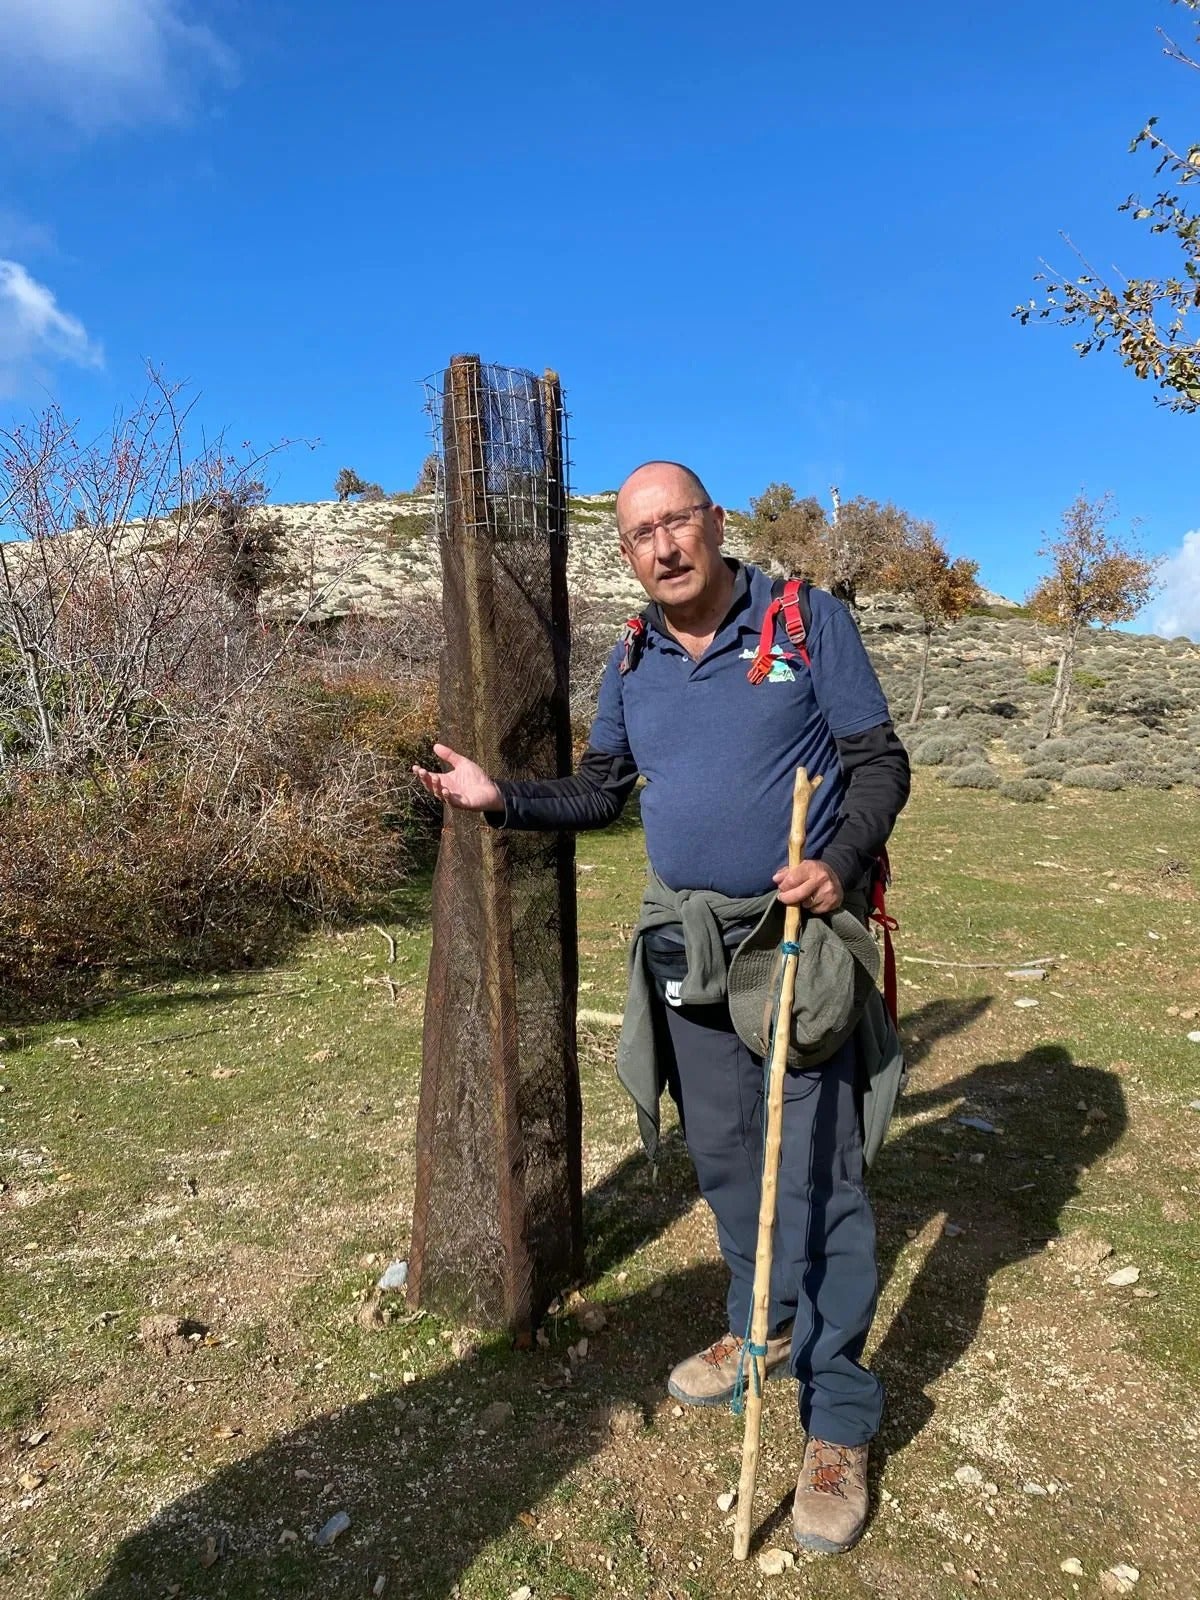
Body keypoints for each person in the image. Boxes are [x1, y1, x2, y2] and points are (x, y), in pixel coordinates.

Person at [413, 461, 910, 1555]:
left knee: (818, 1177)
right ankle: (758, 1327)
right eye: (641, 534)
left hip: (789, 943)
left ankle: (836, 1419)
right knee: (727, 1160)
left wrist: (836, 862)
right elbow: (602, 788)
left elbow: (879, 762)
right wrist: (501, 798)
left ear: (715, 522)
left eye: (678, 521)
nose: (665, 547)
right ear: (628, 553)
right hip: (688, 948)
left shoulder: (802, 621)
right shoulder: (633, 654)